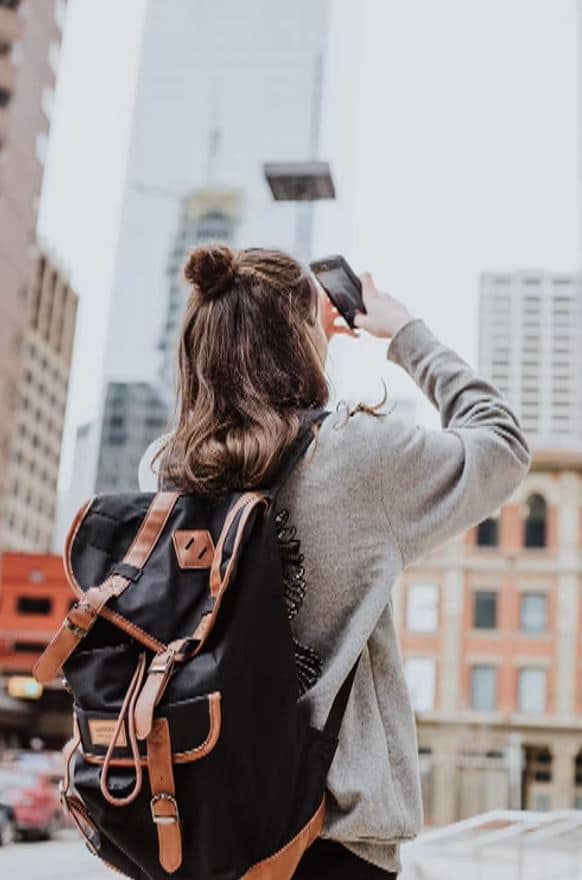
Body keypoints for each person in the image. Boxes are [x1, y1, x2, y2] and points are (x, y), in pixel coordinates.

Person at [138, 245, 531, 879]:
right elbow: (502, 442)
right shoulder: (357, 461)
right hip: (335, 843)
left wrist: (290, 328)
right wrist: (401, 331)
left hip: (201, 828)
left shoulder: (164, 471)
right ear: (298, 336)